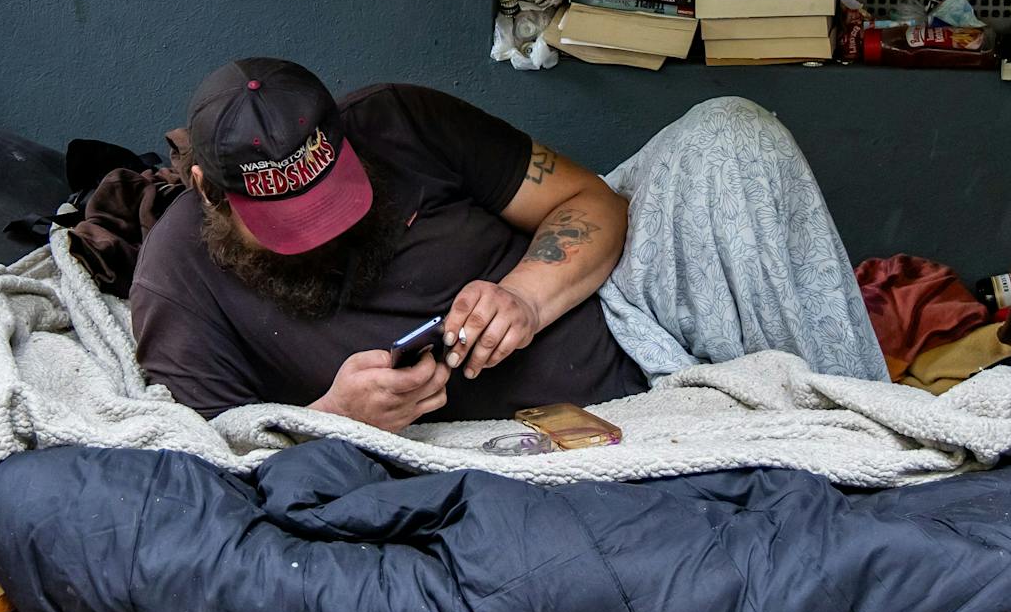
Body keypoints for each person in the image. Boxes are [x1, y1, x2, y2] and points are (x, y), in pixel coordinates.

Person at [131, 58, 883, 430]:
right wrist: (333, 418)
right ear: (204, 188)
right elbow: (208, 461)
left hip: (622, 313)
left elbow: (595, 202)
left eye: (333, 200)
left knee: (733, 130)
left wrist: (523, 294)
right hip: (502, 439)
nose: (323, 230)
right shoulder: (178, 280)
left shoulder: (399, 121)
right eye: (291, 222)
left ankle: (867, 430)